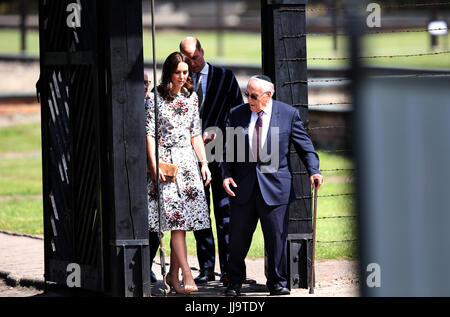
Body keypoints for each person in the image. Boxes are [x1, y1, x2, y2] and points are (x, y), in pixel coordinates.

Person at [222, 75, 323, 296]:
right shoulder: (236, 114)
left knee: (276, 238)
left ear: (269, 95)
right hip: (243, 188)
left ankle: (277, 281)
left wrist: (314, 170)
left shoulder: (288, 114)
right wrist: (226, 173)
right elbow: (228, 150)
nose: (249, 99)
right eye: (247, 94)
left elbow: (305, 147)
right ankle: (234, 282)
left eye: (254, 96)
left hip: (276, 188)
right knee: (238, 239)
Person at [146, 52, 212, 295]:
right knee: (175, 220)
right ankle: (186, 273)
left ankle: (172, 275)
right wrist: (154, 165)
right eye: (178, 72)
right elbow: (149, 134)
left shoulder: (192, 97)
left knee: (183, 224)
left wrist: (203, 163)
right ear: (169, 73)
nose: (183, 77)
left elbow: (196, 133)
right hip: (166, 164)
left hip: (188, 162)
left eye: (186, 72)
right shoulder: (155, 99)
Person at [179, 37, 243, 286]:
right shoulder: (181, 80)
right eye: (187, 58)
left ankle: (229, 268)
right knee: (199, 216)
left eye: (195, 57)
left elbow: (238, 113)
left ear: (202, 52)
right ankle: (206, 268)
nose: (192, 63)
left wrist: (219, 132)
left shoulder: (225, 77)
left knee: (225, 214)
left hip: (221, 157)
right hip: (191, 158)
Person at [144, 71, 159, 284]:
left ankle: (147, 265)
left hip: (154, 172)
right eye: (141, 82)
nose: (145, 86)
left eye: (147, 83)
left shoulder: (154, 104)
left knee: (155, 225)